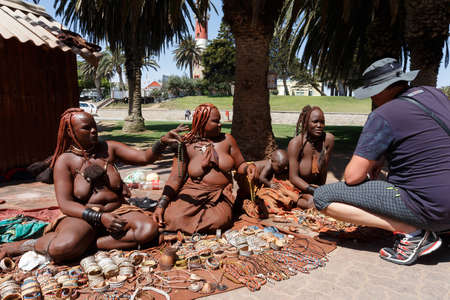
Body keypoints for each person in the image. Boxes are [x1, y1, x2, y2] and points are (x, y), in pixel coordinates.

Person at [0, 108, 186, 263]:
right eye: (86, 128)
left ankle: (91, 243)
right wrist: (100, 218)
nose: (94, 131)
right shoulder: (65, 161)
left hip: (119, 210)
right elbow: (65, 204)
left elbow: (144, 157)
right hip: (83, 216)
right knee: (61, 249)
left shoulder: (108, 148)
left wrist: (161, 143)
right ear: (70, 133)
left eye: (94, 126)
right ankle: (26, 245)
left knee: (148, 229)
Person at [313, 58, 450, 265]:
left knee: (323, 197)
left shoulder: (383, 114)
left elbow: (352, 177)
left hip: (433, 206)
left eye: (373, 91)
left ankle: (414, 234)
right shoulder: (435, 94)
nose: (373, 98)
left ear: (382, 89)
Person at [153, 103, 256, 234]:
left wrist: (248, 168)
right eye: (215, 121)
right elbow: (175, 179)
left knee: (220, 220)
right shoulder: (186, 144)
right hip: (191, 194)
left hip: (219, 196)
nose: (220, 124)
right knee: (172, 217)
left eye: (219, 121)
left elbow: (240, 164)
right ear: (202, 122)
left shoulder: (227, 140)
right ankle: (188, 226)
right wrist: (161, 205)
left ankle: (188, 228)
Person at [287, 105, 334, 209]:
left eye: (322, 122)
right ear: (305, 123)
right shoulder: (296, 143)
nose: (319, 125)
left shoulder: (328, 140)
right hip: (296, 188)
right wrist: (313, 191)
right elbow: (293, 177)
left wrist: (321, 191)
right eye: (315, 121)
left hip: (315, 189)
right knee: (314, 204)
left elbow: (324, 170)